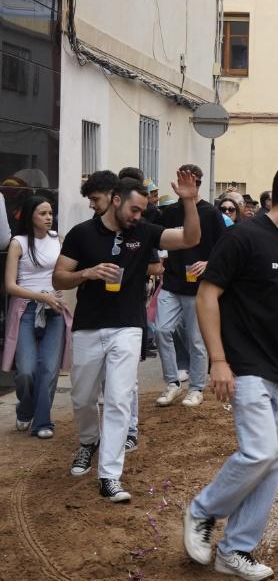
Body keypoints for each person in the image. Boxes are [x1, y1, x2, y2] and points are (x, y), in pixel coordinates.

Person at [183, 164, 278, 580]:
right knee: (259, 452)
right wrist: (218, 360)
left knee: (274, 464)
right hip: (246, 365)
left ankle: (235, 549)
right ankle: (203, 511)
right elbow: (207, 296)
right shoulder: (243, 237)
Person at [54, 172, 200, 502]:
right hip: (89, 326)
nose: (139, 216)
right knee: (82, 396)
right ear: (117, 201)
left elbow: (190, 238)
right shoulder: (81, 234)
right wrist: (86, 273)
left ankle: (110, 475)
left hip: (128, 326)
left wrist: (189, 201)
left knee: (119, 399)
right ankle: (88, 441)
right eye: (135, 209)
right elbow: (59, 278)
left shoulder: (144, 232)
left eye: (142, 211)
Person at [154, 165, 225, 408]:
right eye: (181, 179)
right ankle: (172, 383)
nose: (185, 183)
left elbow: (225, 248)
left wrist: (209, 262)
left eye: (190, 180)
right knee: (161, 330)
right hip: (172, 282)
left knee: (196, 340)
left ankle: (196, 387)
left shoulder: (211, 213)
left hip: (199, 287)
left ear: (198, 183)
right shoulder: (171, 212)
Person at [3, 196, 72, 438]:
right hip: (25, 309)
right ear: (31, 215)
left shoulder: (58, 240)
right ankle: (25, 409)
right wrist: (42, 297)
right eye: (43, 213)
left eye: (50, 213)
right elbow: (10, 286)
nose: (48, 217)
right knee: (26, 370)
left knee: (49, 369)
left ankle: (42, 422)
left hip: (54, 310)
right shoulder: (18, 243)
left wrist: (57, 295)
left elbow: (63, 274)